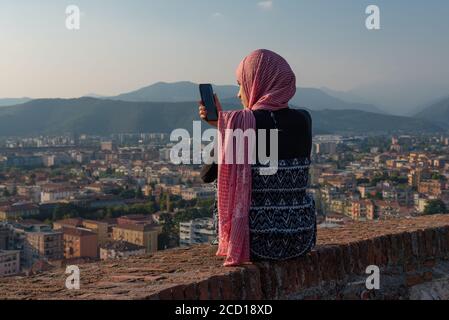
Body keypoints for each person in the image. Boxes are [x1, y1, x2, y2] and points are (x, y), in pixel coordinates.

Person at [198, 49, 316, 266]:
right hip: (301, 237)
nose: (238, 94)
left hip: (253, 242)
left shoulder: (240, 124)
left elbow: (206, 175)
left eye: (240, 84)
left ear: (256, 82)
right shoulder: (304, 119)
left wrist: (224, 129)